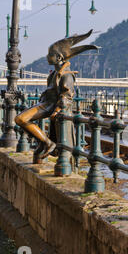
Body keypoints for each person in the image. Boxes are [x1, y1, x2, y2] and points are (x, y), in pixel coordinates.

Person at [15, 30, 99, 162]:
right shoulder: (54, 74)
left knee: (20, 119)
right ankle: (44, 143)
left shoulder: (66, 75)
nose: (47, 56)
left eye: (50, 54)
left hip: (50, 107)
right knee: (21, 119)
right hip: (45, 104)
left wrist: (58, 109)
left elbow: (66, 95)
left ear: (59, 57)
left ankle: (47, 143)